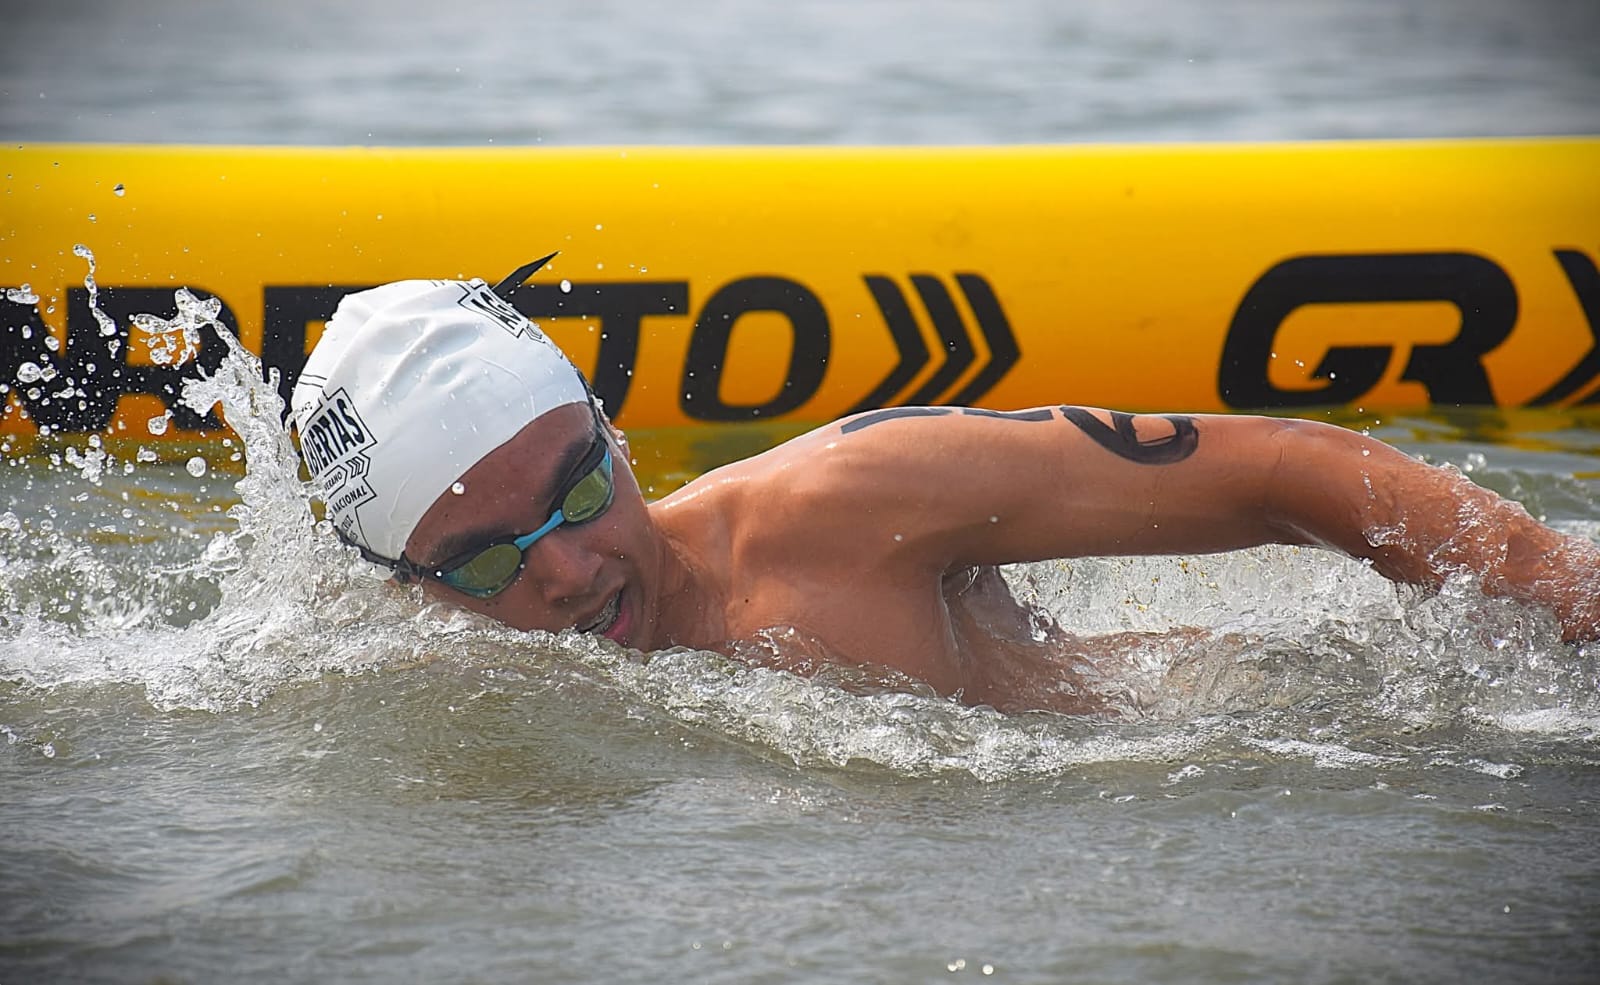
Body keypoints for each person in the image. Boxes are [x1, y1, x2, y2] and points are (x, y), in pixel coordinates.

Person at [290, 267, 1600, 713]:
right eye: (488, 560)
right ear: (416, 589)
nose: (569, 572)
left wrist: (1557, 585)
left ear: (614, 440)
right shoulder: (422, 691)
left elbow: (1279, 467)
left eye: (577, 497)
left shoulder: (845, 506)